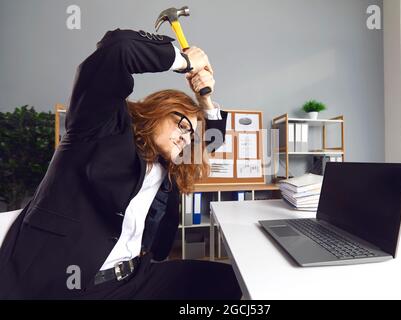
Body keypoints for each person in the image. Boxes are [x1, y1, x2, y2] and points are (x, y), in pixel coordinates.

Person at [0, 28, 242, 299]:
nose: (187, 138)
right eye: (182, 123)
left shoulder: (169, 163)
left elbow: (213, 138)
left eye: (191, 135)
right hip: (69, 283)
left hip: (132, 277)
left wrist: (204, 97)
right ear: (157, 110)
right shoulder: (99, 129)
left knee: (232, 282)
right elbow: (119, 48)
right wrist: (185, 62)